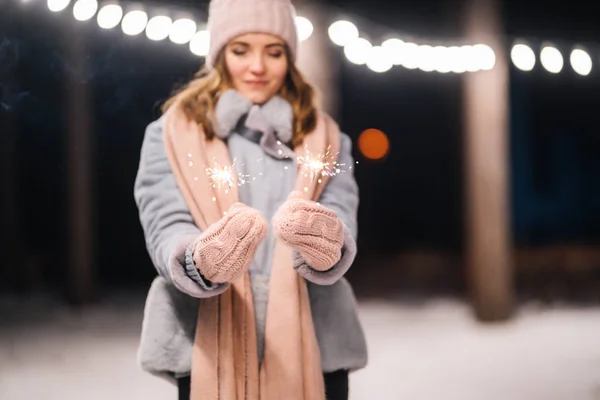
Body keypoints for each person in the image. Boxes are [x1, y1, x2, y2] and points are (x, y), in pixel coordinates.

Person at [133, 0, 367, 398]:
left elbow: (341, 210)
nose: (257, 67)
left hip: (316, 334)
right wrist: (198, 258)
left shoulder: (324, 135)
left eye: (273, 52)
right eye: (241, 50)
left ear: (289, 57)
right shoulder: (170, 134)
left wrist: (327, 240)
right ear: (220, 53)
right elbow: (164, 218)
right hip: (203, 334)